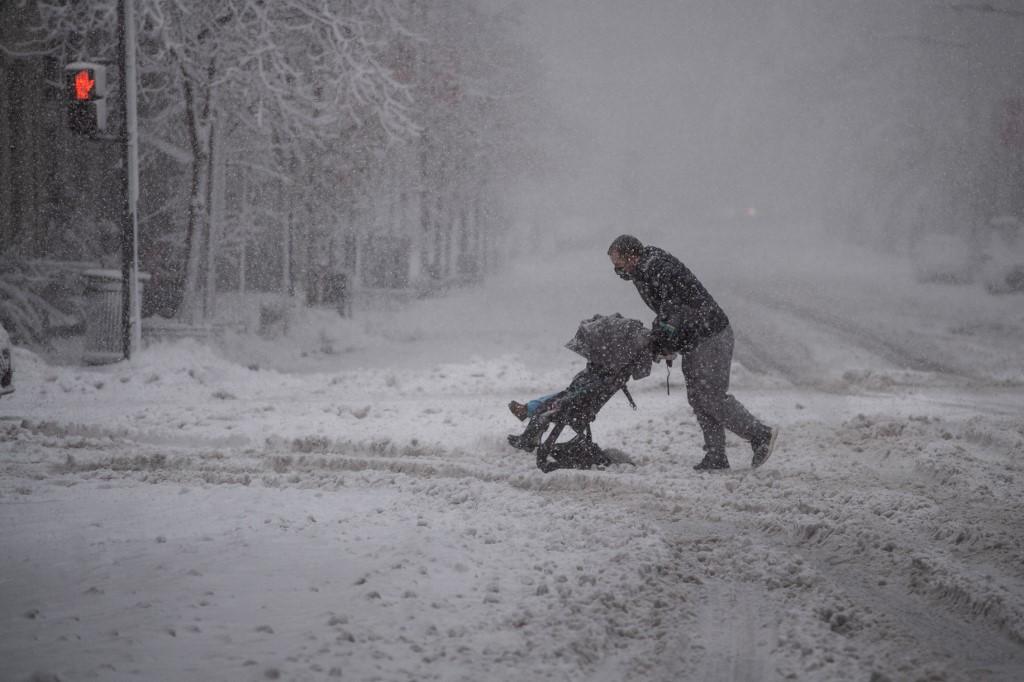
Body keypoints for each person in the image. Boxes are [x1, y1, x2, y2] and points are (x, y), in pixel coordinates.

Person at [607, 234, 778, 470]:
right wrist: (663, 338)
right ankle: (716, 456)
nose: (617, 271)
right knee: (698, 397)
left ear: (632, 256)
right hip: (695, 338)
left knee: (711, 396)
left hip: (710, 334)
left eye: (619, 264)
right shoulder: (644, 271)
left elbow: (674, 307)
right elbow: (668, 310)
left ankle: (760, 435)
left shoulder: (656, 267)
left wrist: (663, 338)